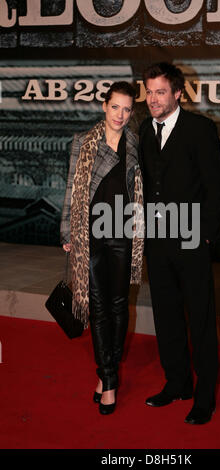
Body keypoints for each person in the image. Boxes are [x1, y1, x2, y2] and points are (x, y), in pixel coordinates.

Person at [139, 62, 220, 425]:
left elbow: (216, 186)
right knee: (166, 315)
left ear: (178, 93)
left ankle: (204, 396)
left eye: (161, 91)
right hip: (157, 240)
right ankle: (177, 383)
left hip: (191, 237)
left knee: (201, 318)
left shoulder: (200, 129)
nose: (153, 99)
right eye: (149, 91)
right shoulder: (144, 129)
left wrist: (205, 234)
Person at [60, 81, 144, 415]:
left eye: (127, 109)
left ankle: (106, 369)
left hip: (123, 231)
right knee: (97, 305)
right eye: (115, 107)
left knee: (120, 304)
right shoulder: (83, 142)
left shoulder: (135, 143)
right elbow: (71, 187)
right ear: (103, 106)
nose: (120, 115)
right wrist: (66, 228)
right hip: (90, 233)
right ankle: (109, 378)